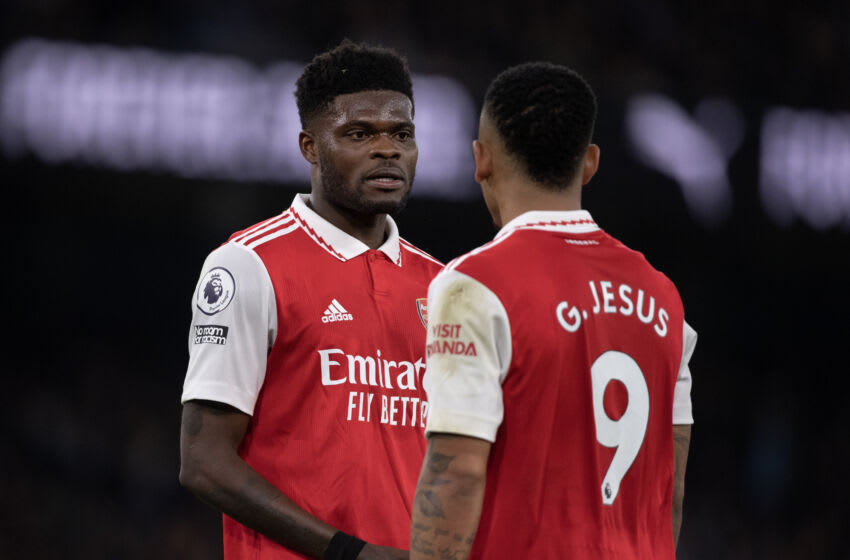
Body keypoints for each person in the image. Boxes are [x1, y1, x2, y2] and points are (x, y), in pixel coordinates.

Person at [409, 62, 696, 559]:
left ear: (481, 160)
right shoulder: (665, 299)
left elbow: (456, 471)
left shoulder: (474, 285)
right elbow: (669, 489)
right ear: (589, 163)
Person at [179, 40, 443, 560]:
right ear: (310, 147)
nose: (387, 149)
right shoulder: (248, 264)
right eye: (360, 134)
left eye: (402, 134)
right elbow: (203, 460)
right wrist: (349, 553)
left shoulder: (446, 287)